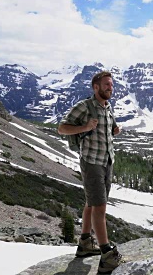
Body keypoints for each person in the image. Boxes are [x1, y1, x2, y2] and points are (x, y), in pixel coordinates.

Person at [58, 70, 124, 274]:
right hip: (92, 162)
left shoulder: (107, 107)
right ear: (96, 87)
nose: (110, 88)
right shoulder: (84, 107)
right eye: (106, 85)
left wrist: (115, 130)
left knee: (91, 202)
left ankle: (85, 243)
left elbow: (109, 128)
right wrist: (85, 126)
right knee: (99, 206)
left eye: (111, 85)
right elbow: (62, 128)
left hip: (106, 161)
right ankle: (106, 254)